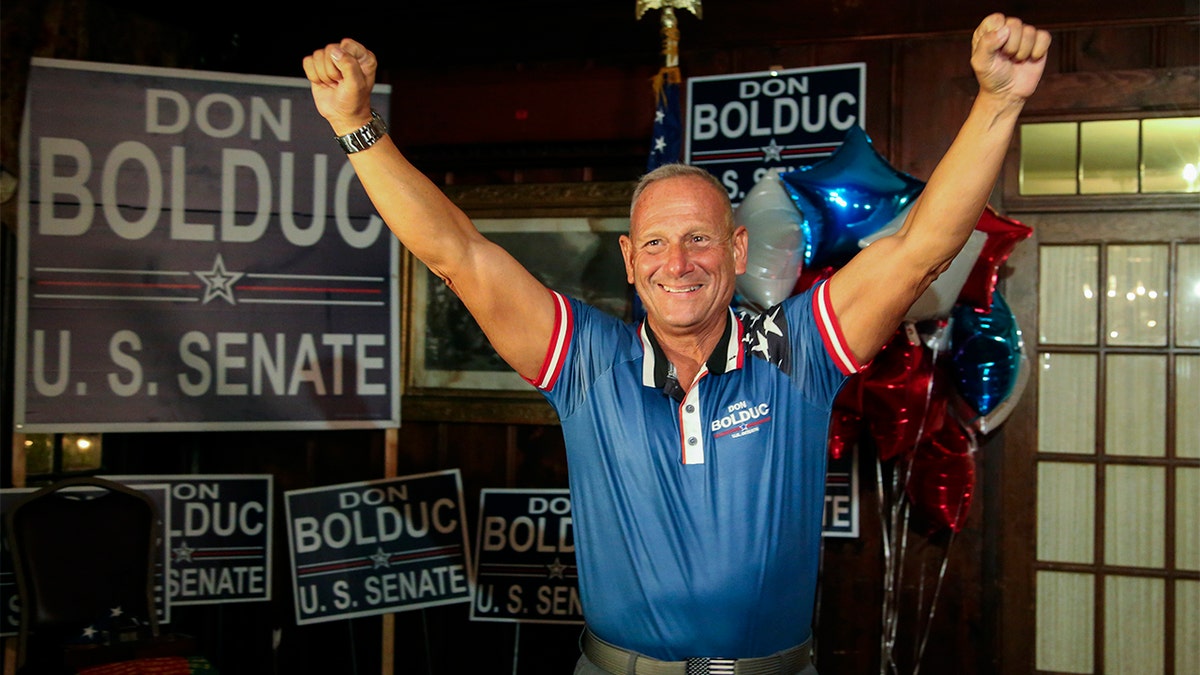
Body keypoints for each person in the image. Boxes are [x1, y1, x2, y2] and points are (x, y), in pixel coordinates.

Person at [303, 12, 1050, 674]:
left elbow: (920, 248)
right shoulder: (589, 360)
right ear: (630, 260)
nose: (678, 262)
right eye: (655, 243)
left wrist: (1000, 100)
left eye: (699, 238)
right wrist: (356, 126)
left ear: (735, 249)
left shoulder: (798, 347)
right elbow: (456, 253)